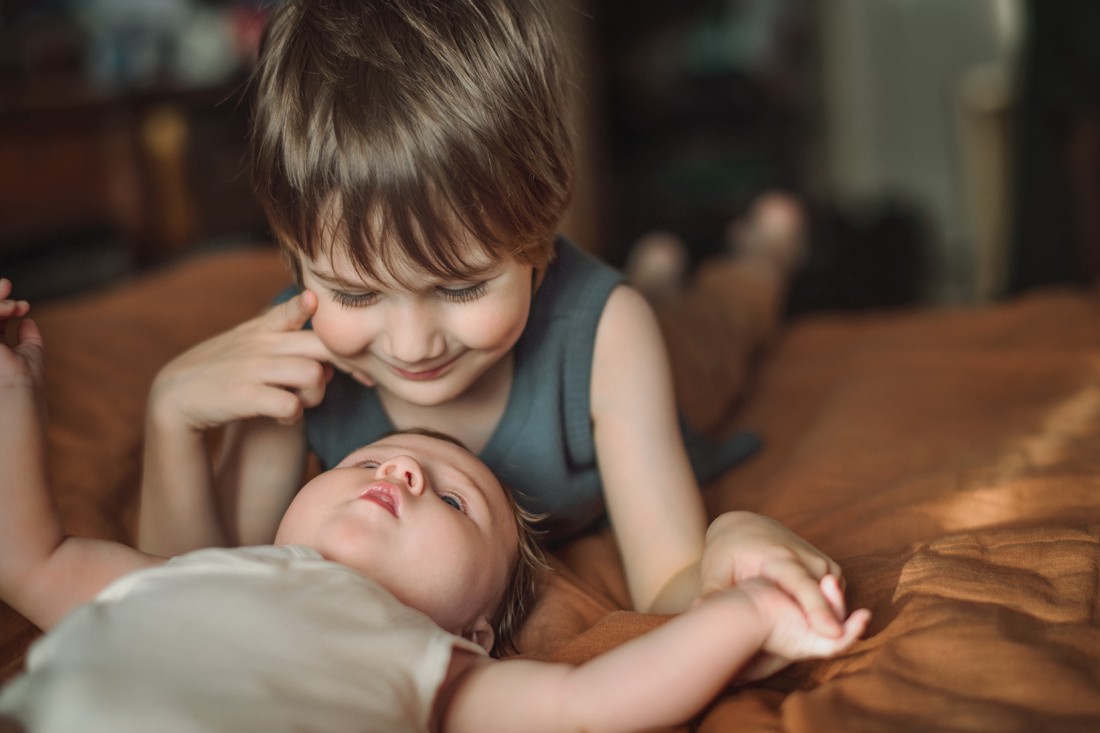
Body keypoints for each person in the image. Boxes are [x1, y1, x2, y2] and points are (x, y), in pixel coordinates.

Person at [138, 0, 848, 632]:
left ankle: (765, 251)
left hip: (635, 349)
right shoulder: (294, 358)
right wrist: (170, 416)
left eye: (460, 288)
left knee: (717, 327)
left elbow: (669, 582)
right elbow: (201, 586)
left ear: (539, 244)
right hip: (598, 323)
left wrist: (731, 556)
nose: (412, 344)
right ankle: (655, 268)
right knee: (653, 295)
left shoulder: (607, 338)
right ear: (293, 259)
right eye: (356, 294)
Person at [0, 285, 869, 733]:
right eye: (373, 458)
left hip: (640, 356)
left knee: (700, 344)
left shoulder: (431, 666)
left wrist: (750, 612)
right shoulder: (182, 579)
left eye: (455, 499)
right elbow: (27, 557)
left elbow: (591, 704)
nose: (403, 474)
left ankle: (746, 259)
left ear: (478, 631)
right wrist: (10, 393)